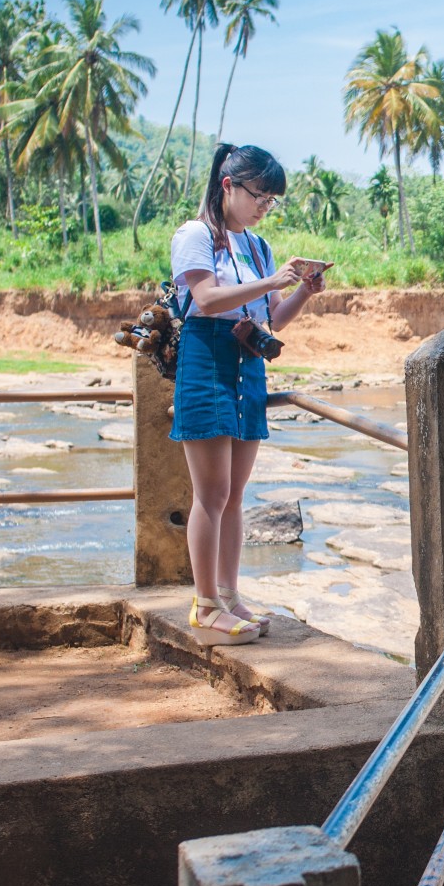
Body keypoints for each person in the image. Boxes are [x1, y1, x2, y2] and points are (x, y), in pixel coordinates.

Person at [169, 143, 327, 644]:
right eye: (260, 195)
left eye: (272, 200)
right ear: (228, 186)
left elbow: (272, 318)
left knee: (235, 497)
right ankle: (205, 604)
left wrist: (302, 290)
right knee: (210, 494)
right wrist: (270, 280)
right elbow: (207, 298)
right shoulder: (195, 235)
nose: (265, 206)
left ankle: (230, 596)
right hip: (207, 362)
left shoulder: (258, 247)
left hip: (248, 366)